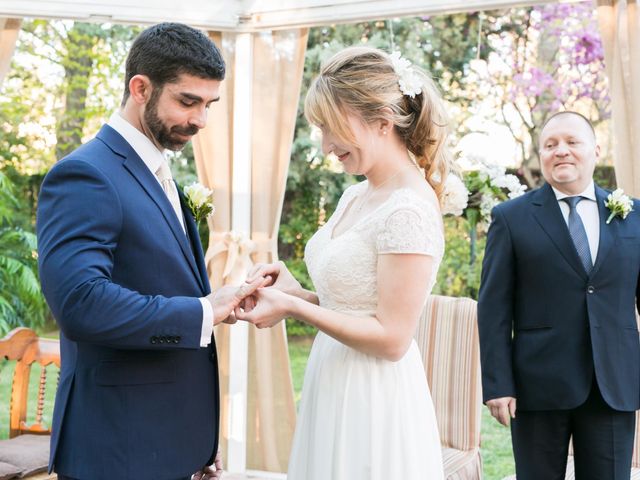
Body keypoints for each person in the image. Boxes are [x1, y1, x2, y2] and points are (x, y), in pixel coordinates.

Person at [36, 23, 264, 480]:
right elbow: (81, 303)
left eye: (208, 104)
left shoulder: (159, 172)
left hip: (165, 444)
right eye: (188, 101)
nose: (200, 119)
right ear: (140, 88)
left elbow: (158, 280)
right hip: (117, 449)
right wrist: (203, 311)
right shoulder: (85, 174)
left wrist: (194, 439)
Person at [237, 46, 451, 479]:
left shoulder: (408, 209)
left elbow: (392, 338)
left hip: (372, 396)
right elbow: (355, 304)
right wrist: (295, 291)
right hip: (332, 376)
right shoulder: (358, 193)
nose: (326, 146)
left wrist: (296, 308)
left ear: (381, 122)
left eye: (332, 129)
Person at [478, 111, 640, 480]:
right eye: (550, 145)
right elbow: (494, 309)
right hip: (538, 385)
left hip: (611, 385)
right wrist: (498, 385)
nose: (560, 151)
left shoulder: (633, 216)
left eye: (571, 142)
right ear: (540, 155)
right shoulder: (510, 218)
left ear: (596, 150)